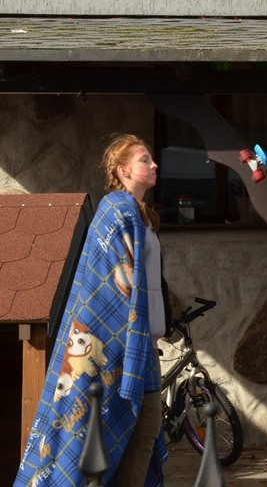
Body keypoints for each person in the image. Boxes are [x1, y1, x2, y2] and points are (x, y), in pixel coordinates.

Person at [17, 134, 169, 486]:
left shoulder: (141, 215)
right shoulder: (116, 212)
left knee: (142, 436)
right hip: (115, 349)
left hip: (144, 348)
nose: (154, 165)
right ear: (123, 170)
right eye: (145, 159)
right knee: (121, 434)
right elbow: (105, 291)